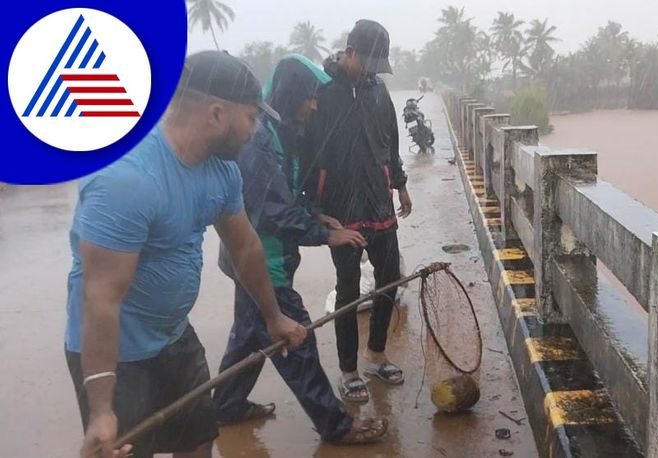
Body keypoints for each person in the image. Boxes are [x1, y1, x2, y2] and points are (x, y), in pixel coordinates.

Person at [64, 50, 308, 458]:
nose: (255, 130)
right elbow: (100, 299)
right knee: (123, 450)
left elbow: (245, 246)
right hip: (116, 354)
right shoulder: (126, 180)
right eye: (251, 117)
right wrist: (102, 409)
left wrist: (274, 317)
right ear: (216, 114)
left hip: (173, 336)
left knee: (198, 441)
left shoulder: (222, 170)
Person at [213, 54, 387, 444]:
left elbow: (289, 191)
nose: (314, 105)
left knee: (248, 336)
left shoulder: (281, 133)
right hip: (263, 261)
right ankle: (337, 426)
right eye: (309, 97)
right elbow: (271, 210)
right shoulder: (258, 140)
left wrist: (315, 213)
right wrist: (325, 235)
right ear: (291, 94)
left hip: (260, 258)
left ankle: (225, 405)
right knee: (296, 341)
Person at [304, 19, 412, 403]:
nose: (371, 70)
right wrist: (313, 207)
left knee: (389, 278)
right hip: (340, 210)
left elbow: (391, 143)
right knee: (348, 290)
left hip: (379, 202)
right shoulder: (323, 93)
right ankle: (348, 369)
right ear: (349, 53)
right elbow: (310, 153)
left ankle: (376, 353)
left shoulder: (379, 93)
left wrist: (399, 184)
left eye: (377, 65)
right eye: (366, 61)